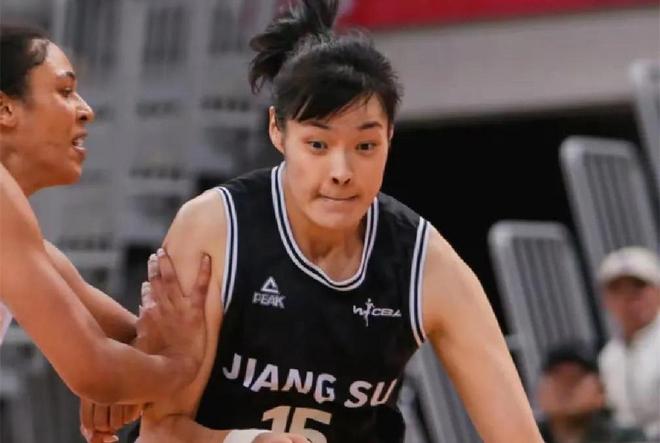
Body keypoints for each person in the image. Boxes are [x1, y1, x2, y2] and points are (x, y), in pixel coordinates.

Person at [89, 1, 543, 441]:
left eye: (365, 146)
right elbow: (161, 432)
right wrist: (246, 442)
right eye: (318, 145)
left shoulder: (426, 265)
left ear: (389, 136)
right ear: (277, 130)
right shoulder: (216, 229)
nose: (341, 171)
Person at [0, 23, 210, 416]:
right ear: (6, 109)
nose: (87, 110)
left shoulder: (29, 248)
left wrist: (139, 372)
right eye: (65, 91)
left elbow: (128, 344)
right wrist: (182, 367)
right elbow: (97, 371)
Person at [597, 246, 660, 439]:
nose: (628, 298)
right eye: (617, 290)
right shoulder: (608, 356)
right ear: (606, 300)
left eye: (638, 287)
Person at [536, 342, 646, 443]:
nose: (565, 388)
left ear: (600, 391)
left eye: (575, 378)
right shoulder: (529, 436)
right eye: (557, 378)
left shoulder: (626, 438)